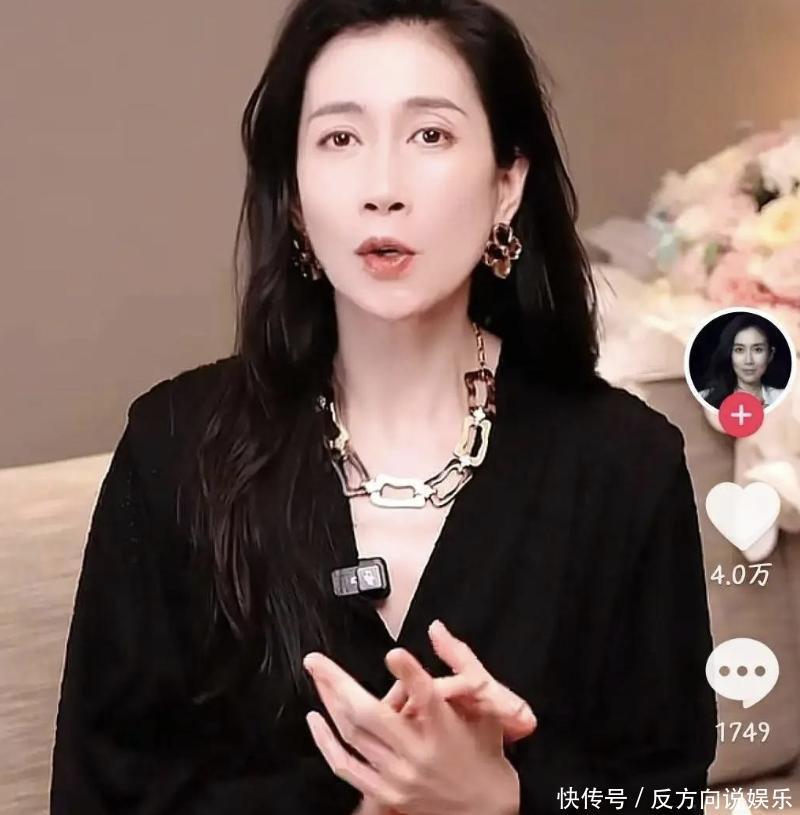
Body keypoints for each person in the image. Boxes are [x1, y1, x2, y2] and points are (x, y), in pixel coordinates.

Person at [49, 0, 718, 812]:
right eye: (340, 138)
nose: (382, 189)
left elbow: (665, 790)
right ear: (295, 197)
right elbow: (100, 788)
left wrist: (503, 799)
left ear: (507, 182)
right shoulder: (174, 448)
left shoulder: (626, 463)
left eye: (429, 135)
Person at [698, 313, 786, 409]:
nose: (748, 360)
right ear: (729, 354)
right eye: (739, 350)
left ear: (770, 354)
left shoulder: (784, 399)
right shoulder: (703, 398)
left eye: (758, 349)